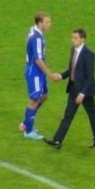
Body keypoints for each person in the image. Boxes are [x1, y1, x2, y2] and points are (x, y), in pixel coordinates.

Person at [44, 29, 95, 149]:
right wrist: (61, 76)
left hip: (85, 91)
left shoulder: (89, 54)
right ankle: (57, 141)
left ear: (83, 39)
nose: (73, 40)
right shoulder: (73, 50)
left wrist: (82, 93)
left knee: (92, 115)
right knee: (68, 115)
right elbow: (72, 69)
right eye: (72, 38)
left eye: (75, 38)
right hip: (73, 88)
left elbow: (90, 76)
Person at [20, 12, 60, 140]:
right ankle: (28, 131)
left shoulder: (34, 31)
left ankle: (26, 122)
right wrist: (50, 74)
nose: (49, 24)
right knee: (35, 100)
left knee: (44, 96)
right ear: (39, 23)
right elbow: (37, 59)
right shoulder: (36, 38)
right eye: (47, 22)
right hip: (35, 72)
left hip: (38, 71)